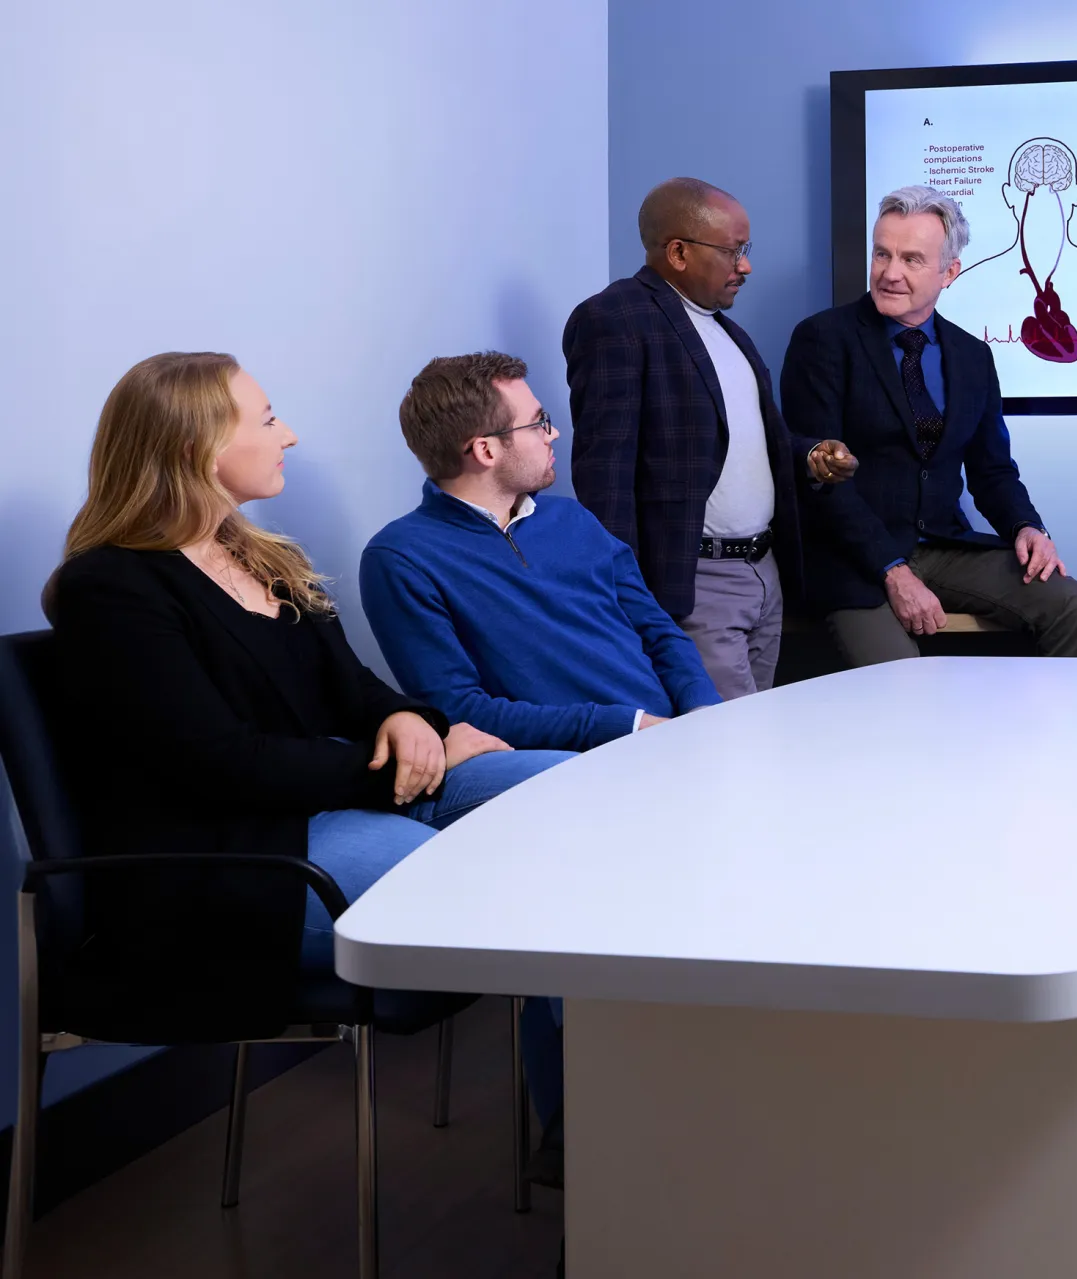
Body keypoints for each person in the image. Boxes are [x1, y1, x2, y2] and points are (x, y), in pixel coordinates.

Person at [43, 352, 575, 1145]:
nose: (286, 433)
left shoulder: (263, 558)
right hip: (238, 860)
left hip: (331, 797)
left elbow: (356, 692)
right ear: (199, 448)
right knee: (549, 898)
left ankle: (619, 1138)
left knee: (574, 801)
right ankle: (591, 1151)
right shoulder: (110, 590)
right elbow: (220, 763)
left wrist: (407, 719)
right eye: (265, 420)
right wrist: (401, 768)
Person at [780, 184, 1077, 664]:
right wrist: (892, 569)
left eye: (911, 259)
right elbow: (820, 482)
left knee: (1075, 604)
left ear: (949, 272)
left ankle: (1071, 738)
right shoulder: (822, 341)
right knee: (903, 682)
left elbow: (992, 471)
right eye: (881, 254)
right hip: (851, 561)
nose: (890, 273)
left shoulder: (973, 356)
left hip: (943, 547)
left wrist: (1026, 527)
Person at [565, 176, 859, 699]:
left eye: (747, 250)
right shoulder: (614, 319)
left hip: (765, 575)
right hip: (694, 582)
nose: (745, 266)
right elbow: (604, 476)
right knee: (727, 752)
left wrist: (809, 454)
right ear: (678, 251)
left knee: (756, 737)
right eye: (734, 251)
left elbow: (749, 443)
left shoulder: (726, 330)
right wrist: (629, 602)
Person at [360, 351, 721, 751]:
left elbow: (659, 632)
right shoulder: (401, 558)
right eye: (538, 423)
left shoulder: (572, 517)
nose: (553, 434)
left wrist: (700, 708)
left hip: (675, 739)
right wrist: (626, 726)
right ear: (486, 451)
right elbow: (459, 708)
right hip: (575, 770)